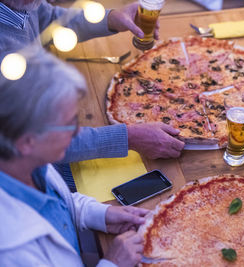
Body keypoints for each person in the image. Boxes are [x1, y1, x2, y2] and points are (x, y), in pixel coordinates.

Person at [0, 0, 185, 190]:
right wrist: (128, 138)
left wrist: (112, 19)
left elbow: (49, 18)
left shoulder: (18, 4)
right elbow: (38, 141)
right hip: (37, 174)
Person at [0, 50, 148, 267]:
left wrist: (101, 214)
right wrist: (113, 263)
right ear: (27, 141)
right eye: (68, 124)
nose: (77, 132)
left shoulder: (28, 162)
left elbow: (57, 205)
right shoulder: (10, 253)